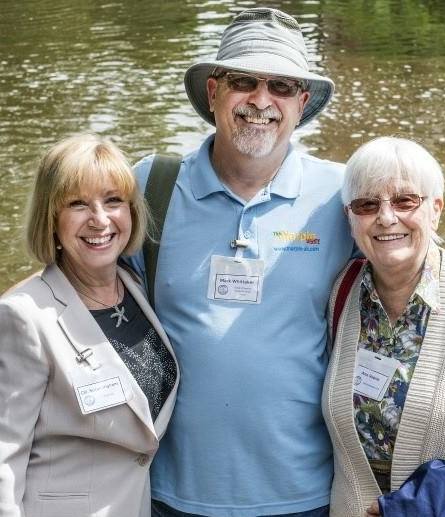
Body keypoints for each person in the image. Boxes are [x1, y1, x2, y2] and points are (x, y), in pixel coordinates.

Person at [128, 7, 355, 517]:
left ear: (301, 102)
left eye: (280, 85)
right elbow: (81, 284)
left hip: (304, 495)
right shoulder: (150, 185)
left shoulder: (343, 194)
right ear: (213, 93)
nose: (260, 100)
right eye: (242, 82)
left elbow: (416, 274)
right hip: (167, 492)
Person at [322, 136, 445, 516]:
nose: (386, 217)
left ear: (436, 209)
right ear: (350, 217)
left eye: (404, 201)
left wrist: (419, 505)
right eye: (366, 204)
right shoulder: (342, 292)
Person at [0, 134, 180, 517]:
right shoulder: (23, 316)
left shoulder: (134, 286)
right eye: (78, 204)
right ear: (51, 218)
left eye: (113, 201)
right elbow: (4, 455)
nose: (100, 220)